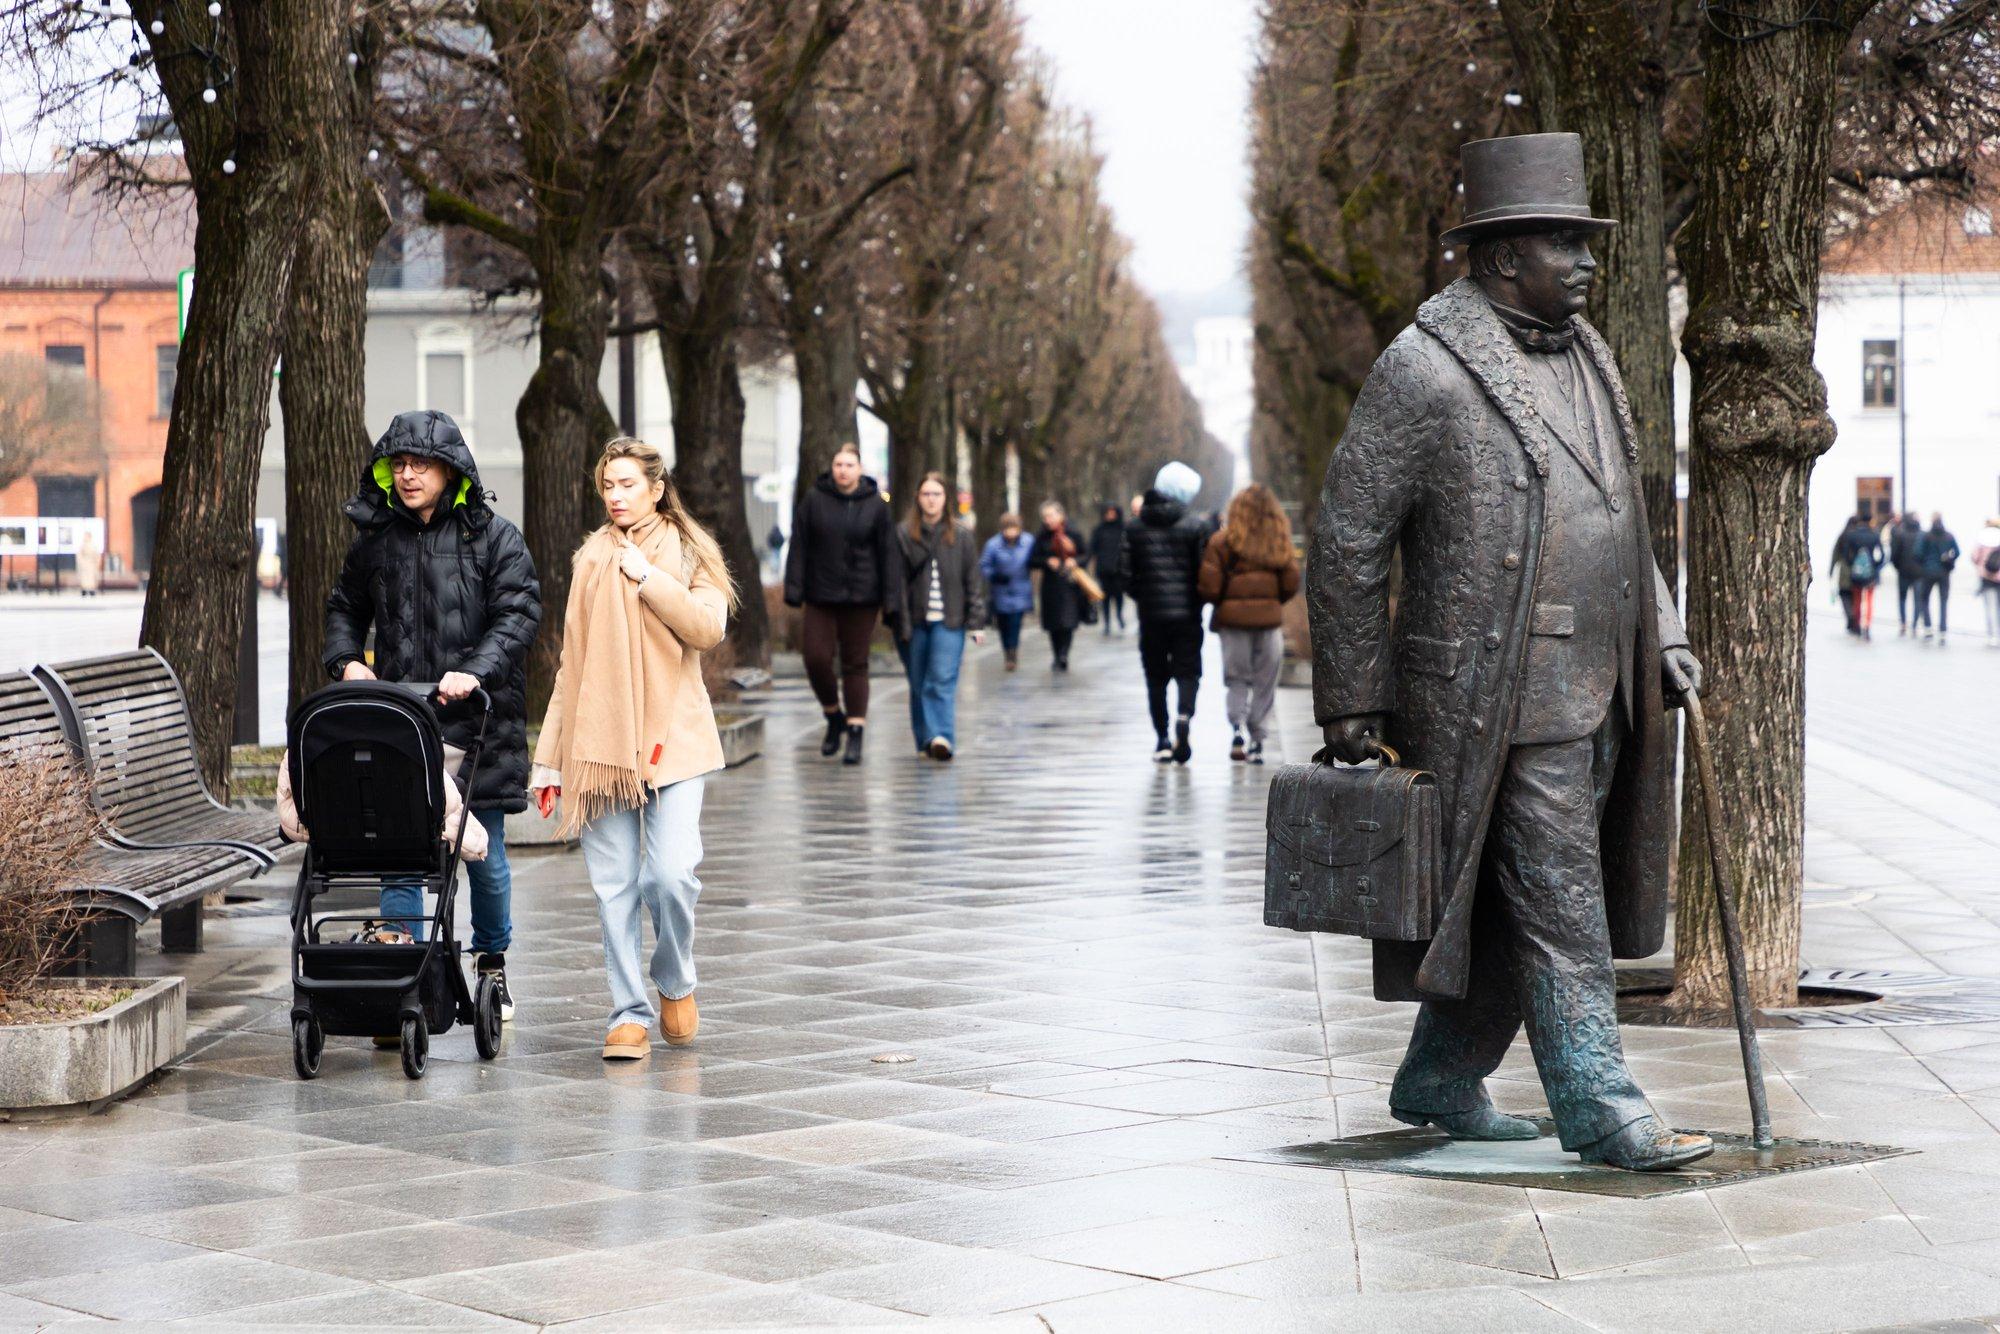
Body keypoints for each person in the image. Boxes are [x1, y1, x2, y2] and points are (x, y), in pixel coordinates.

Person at [1312, 133, 1709, 1172]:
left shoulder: (1587, 354)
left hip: (1603, 684)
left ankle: (1439, 1074)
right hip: (1496, 690)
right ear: (1496, 257)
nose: (1583, 261)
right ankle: (1601, 1105)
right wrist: (1349, 694)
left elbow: (1618, 513)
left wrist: (1661, 630)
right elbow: (1350, 532)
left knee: (1510, 895)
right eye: (1560, 241)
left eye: (1584, 241)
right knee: (1559, 900)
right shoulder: (1422, 367)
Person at [325, 410, 539, 1023]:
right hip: (402, 721)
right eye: (399, 464)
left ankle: (491, 959)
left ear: (450, 470)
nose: (408, 474)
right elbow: (344, 606)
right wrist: (347, 661)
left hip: (477, 723)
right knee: (400, 847)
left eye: (420, 464)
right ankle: (397, 960)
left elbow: (519, 613)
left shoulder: (494, 538)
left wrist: (476, 669)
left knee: (485, 857)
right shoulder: (377, 540)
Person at [530, 437, 734, 1061]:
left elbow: (709, 627)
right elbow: (574, 663)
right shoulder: (591, 558)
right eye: (607, 486)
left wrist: (649, 580)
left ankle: (675, 979)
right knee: (612, 885)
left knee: (670, 874)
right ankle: (628, 1012)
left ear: (656, 487)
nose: (616, 496)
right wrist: (548, 755)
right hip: (600, 745)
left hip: (674, 740)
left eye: (626, 484)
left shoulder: (688, 550)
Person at [783, 442, 898, 765]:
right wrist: (794, 587)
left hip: (863, 597)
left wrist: (891, 600)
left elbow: (888, 554)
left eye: (849, 465)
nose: (843, 470)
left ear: (860, 470)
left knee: (855, 663)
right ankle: (833, 715)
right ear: (832, 468)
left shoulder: (876, 505)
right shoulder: (814, 500)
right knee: (816, 658)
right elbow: (800, 544)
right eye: (838, 464)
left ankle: (856, 731)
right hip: (821, 593)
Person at [1198, 483, 1300, 764]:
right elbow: (1291, 582)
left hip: (1233, 623)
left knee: (1237, 678)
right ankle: (1258, 735)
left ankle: (1237, 727)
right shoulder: (1277, 540)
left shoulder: (1222, 542)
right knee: (1265, 680)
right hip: (1268, 621)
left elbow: (1209, 587)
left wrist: (1226, 600)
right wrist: (1271, 599)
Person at [893, 472, 988, 760]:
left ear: (945, 499)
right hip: (915, 620)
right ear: (918, 499)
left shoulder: (961, 536)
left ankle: (942, 737)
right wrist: (899, 620)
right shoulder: (902, 534)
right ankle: (925, 739)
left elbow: (972, 580)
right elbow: (895, 582)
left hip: (950, 620)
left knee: (941, 680)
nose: (931, 500)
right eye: (926, 494)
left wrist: (976, 622)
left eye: (936, 494)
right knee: (919, 682)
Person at [1124, 461, 1210, 763]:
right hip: (1187, 615)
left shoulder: (1135, 527)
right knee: (1189, 672)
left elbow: (1126, 574)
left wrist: (1143, 595)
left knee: (1155, 677)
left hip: (1151, 616)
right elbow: (1204, 572)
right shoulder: (1195, 526)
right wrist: (1196, 600)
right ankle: (1184, 715)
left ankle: (1161, 738)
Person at [1031, 501, 1088, 671]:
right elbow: (1032, 560)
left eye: (1051, 516)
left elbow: (1085, 554)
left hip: (1070, 583)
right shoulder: (1041, 536)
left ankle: (1064, 654)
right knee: (1053, 623)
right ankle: (1056, 654)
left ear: (1060, 515)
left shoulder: (1073, 533)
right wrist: (1047, 561)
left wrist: (1074, 561)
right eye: (1045, 517)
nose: (1048, 520)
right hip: (1050, 584)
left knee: (1068, 621)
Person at [980, 513, 1036, 671]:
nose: (1011, 533)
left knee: (1015, 622)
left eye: (1014, 529)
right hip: (1000, 591)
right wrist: (994, 576)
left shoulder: (1028, 541)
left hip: (1021, 589)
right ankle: (1007, 650)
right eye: (1008, 529)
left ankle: (1013, 652)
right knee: (1003, 624)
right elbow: (984, 565)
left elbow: (1036, 559)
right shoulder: (993, 544)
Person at [1830, 512, 1885, 638]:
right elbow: (1882, 555)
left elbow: (1845, 554)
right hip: (1870, 573)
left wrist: (1852, 564)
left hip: (1856, 573)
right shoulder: (1875, 535)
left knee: (1858, 599)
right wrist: (1876, 565)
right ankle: (1867, 625)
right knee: (1869, 600)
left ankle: (1858, 624)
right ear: (1870, 520)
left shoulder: (1852, 535)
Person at [1914, 512, 1960, 642]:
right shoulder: (1949, 536)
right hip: (1944, 572)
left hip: (1928, 571)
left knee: (1924, 598)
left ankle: (1928, 627)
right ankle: (1943, 629)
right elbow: (1957, 552)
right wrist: (1949, 559)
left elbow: (1917, 553)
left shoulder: (1926, 536)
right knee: (1943, 601)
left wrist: (1924, 564)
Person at [1089, 503, 1128, 634]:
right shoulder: (1099, 530)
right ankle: (1106, 623)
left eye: (1112, 512)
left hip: (1119, 569)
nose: (1110, 515)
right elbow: (1092, 549)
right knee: (1104, 597)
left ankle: (1119, 615)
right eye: (1108, 512)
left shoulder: (1123, 528)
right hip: (1103, 569)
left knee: (1119, 596)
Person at [1890, 511, 1924, 635]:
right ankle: (1914, 624)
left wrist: (1897, 567)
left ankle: (1903, 623)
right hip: (1919, 573)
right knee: (1917, 599)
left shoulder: (1900, 534)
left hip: (1903, 571)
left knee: (1902, 598)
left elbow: (1894, 555)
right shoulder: (1922, 535)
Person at [1974, 518, 2000, 647]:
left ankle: (1992, 635)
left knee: (1990, 607)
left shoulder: (1982, 539)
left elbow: (1975, 557)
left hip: (1987, 578)